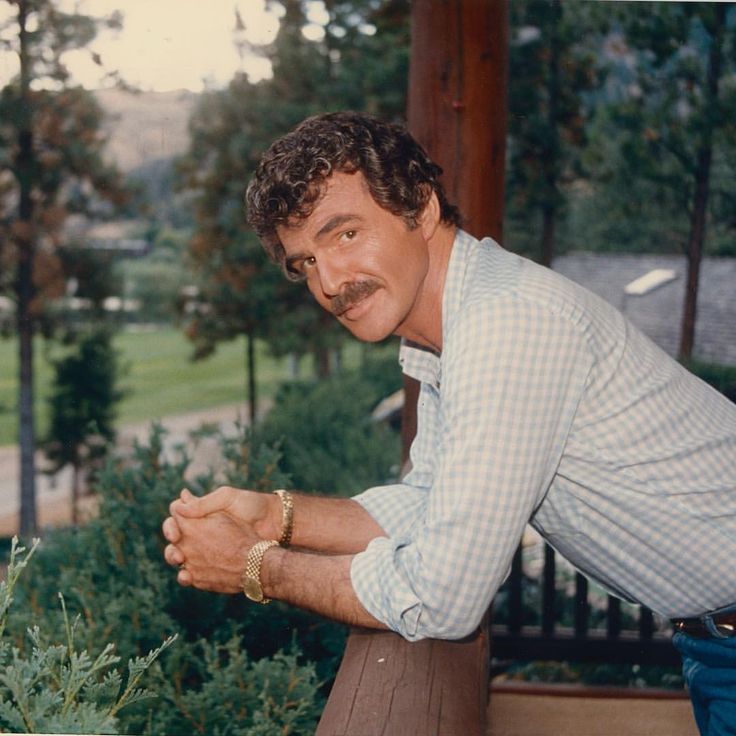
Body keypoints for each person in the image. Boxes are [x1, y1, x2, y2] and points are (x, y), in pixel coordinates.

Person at [163, 111, 736, 734]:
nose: (329, 281)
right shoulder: (454, 332)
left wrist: (256, 566)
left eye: (346, 233)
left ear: (422, 209)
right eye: (305, 263)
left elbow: (444, 596)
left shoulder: (506, 324)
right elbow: (428, 502)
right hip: (713, 644)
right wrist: (275, 517)